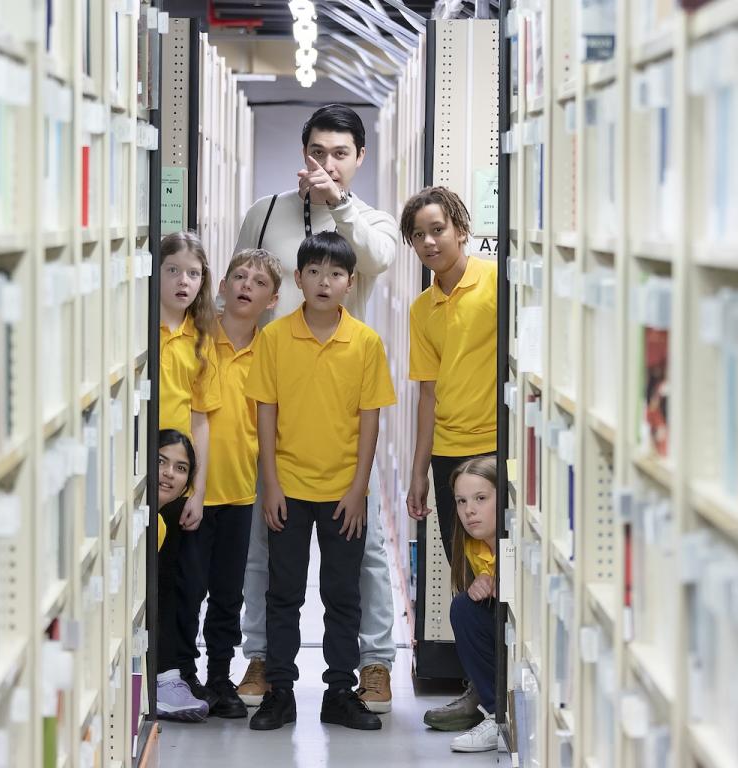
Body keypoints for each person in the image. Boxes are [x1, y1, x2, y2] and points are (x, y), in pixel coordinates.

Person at [234, 103, 400, 714]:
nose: (326, 163)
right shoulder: (267, 212)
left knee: (365, 550)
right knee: (264, 543)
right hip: (272, 394)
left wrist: (339, 202)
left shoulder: (371, 219)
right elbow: (242, 282)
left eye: (340, 153)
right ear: (301, 153)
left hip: (341, 399)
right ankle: (260, 656)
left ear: (359, 158)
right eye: (317, 152)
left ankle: (375, 664)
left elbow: (377, 259)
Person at [401, 187, 497, 729]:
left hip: (495, 448)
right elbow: (427, 394)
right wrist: (419, 469)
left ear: (460, 228)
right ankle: (476, 688)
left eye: (437, 229)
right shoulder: (422, 308)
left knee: (504, 568)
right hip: (447, 455)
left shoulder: (495, 283)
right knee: (465, 573)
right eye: (419, 234)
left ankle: (503, 690)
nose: (429, 241)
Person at [175, 249, 282, 720]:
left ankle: (221, 678)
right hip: (191, 493)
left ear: (272, 299)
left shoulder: (272, 352)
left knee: (227, 593)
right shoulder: (198, 340)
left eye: (258, 282)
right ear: (220, 287)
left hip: (239, 492)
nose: (245, 286)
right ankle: (182, 674)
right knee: (186, 588)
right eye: (238, 277)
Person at [156, 232, 221, 722]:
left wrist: (197, 489)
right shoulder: (137, 328)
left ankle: (173, 673)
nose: (184, 281)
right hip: (142, 472)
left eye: (194, 273)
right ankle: (156, 675)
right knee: (148, 580)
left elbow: (202, 417)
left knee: (182, 583)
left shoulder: (201, 339)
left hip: (179, 480)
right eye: (174, 270)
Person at [443, 457, 502, 753]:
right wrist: (483, 579)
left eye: (481, 498)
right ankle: (498, 716)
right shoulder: (472, 543)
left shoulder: (519, 538)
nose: (469, 510)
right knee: (464, 608)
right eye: (461, 501)